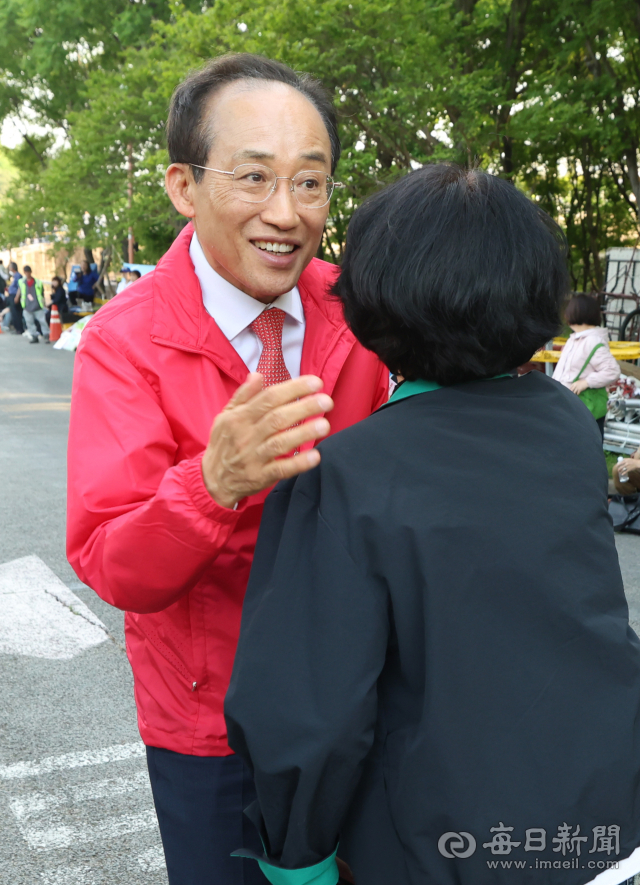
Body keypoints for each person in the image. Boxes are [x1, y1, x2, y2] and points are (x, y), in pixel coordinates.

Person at [225, 165, 640, 885]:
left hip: (445, 841)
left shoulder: (343, 472)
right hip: (603, 813)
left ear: (372, 302)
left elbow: (308, 711)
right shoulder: (565, 422)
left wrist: (299, 858)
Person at [66, 53, 389, 885]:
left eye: (310, 183)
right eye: (254, 178)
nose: (286, 213)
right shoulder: (122, 341)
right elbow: (111, 560)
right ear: (183, 185)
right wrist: (211, 484)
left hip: (359, 708)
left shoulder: (366, 311)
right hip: (210, 730)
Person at [553, 293, 619, 437]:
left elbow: (612, 371)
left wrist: (586, 382)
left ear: (575, 312)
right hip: (568, 406)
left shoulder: (593, 341)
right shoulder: (575, 339)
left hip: (583, 409)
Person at [19, 265, 49, 343]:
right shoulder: (22, 282)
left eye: (28, 272)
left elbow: (42, 293)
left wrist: (43, 302)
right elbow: (20, 291)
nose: (27, 274)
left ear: (30, 272)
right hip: (27, 305)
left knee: (42, 321)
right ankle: (34, 336)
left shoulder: (37, 282)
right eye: (26, 272)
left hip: (37, 305)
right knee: (29, 322)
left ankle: (46, 335)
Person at [7, 261, 23, 334]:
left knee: (16, 313)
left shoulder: (18, 276)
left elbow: (19, 287)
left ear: (12, 268)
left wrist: (17, 296)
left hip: (15, 296)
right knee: (14, 313)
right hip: (12, 295)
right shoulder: (14, 276)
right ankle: (17, 328)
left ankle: (19, 329)